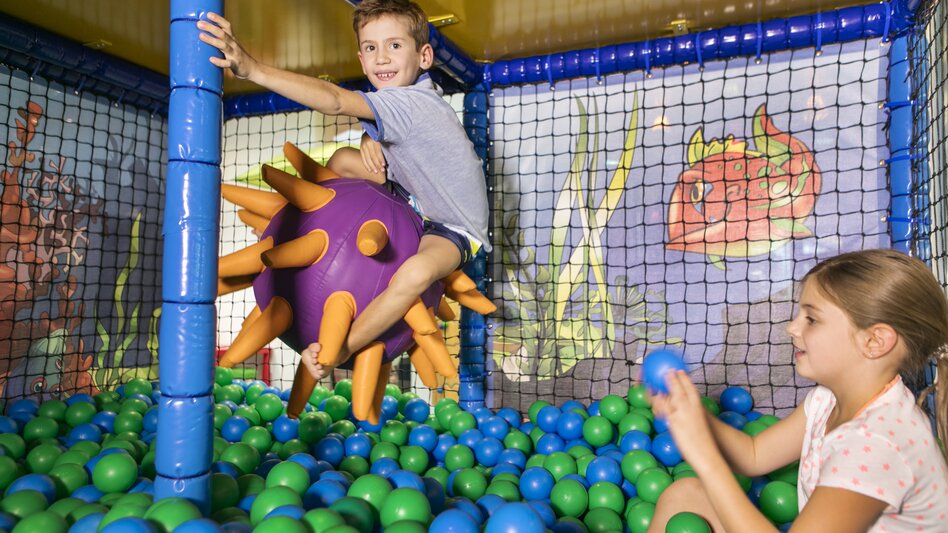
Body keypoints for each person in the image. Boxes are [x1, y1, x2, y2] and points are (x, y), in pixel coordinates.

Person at [199, 0, 491, 380]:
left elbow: (335, 100)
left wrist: (253, 68)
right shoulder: (407, 99)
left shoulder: (410, 104)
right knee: (341, 161)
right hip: (411, 195)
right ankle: (288, 228)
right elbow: (398, 140)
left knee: (416, 272)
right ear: (360, 55)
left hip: (452, 227)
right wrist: (373, 140)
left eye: (394, 46)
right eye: (371, 48)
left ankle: (343, 348)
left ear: (425, 55)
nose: (382, 58)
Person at [648, 249, 948, 532]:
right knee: (685, 494)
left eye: (811, 319)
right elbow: (753, 456)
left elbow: (725, 463)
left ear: (874, 341)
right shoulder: (827, 400)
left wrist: (703, 455)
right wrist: (691, 415)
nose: (792, 328)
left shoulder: (880, 442)